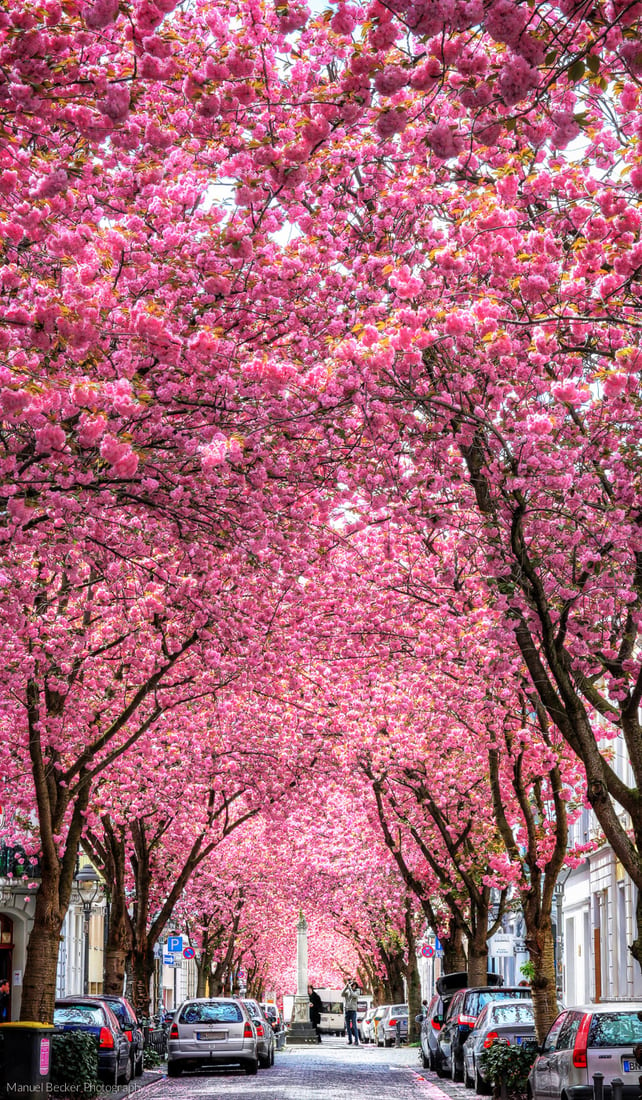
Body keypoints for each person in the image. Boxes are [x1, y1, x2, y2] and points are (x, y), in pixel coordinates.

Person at [342, 978, 360, 1046]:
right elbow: (342, 994)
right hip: (347, 1010)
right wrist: (346, 987)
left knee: (354, 1026)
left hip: (353, 1011)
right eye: (352, 985)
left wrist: (349, 988)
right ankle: (350, 1040)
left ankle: (356, 1041)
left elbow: (353, 995)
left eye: (354, 985)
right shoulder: (348, 991)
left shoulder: (357, 991)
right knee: (348, 1027)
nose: (353, 986)